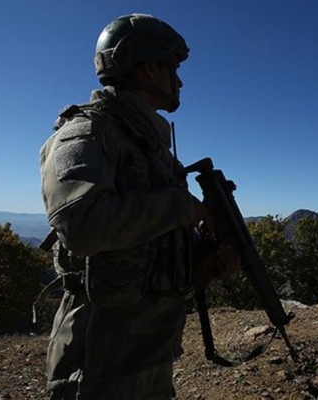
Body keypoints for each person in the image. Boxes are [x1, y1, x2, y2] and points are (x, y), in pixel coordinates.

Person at [39, 14, 235, 399]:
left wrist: (202, 265)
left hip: (149, 352)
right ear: (148, 68)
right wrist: (180, 206)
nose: (179, 81)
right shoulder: (87, 132)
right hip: (98, 363)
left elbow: (145, 248)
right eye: (172, 68)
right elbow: (82, 225)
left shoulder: (151, 147)